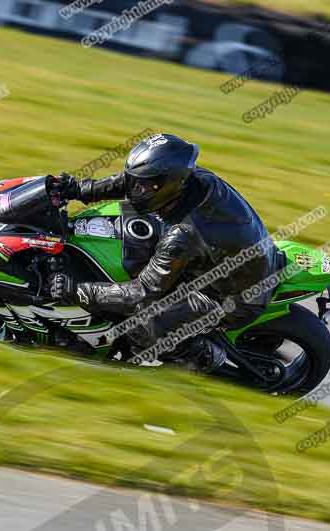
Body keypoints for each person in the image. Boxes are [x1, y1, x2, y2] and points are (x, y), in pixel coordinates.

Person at [46, 133, 280, 372]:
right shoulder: (189, 179)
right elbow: (131, 182)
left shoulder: (184, 234)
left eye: (146, 185)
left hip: (229, 296)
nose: (137, 189)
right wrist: (80, 190)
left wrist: (76, 290)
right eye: (138, 181)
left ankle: (199, 359)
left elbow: (141, 293)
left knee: (141, 326)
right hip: (225, 259)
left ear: (168, 183)